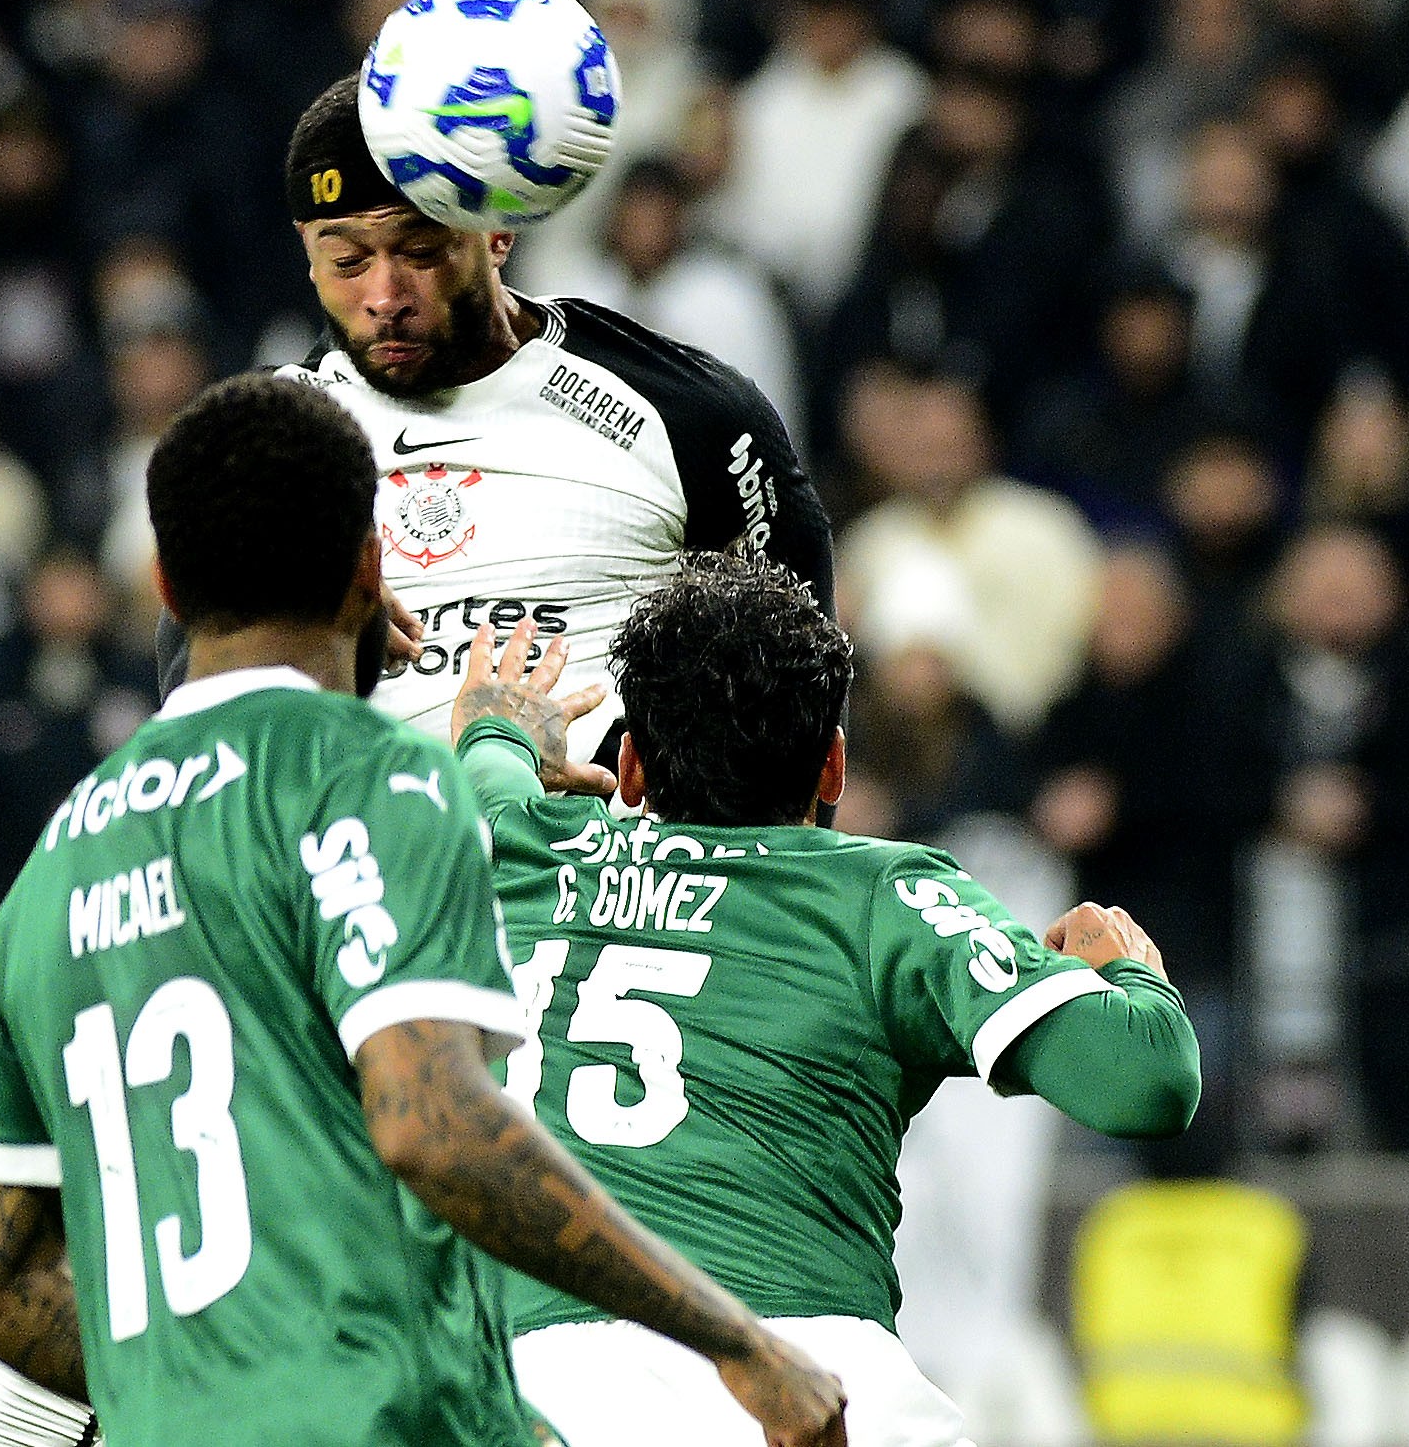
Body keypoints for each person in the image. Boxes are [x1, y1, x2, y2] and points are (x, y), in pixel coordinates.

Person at [0, 374, 846, 1447]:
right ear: (372, 569)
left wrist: (215, 1381)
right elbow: (434, 1126)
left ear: (164, 588)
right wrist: (734, 1339)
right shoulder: (373, 776)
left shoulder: (54, 867)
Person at [450, 555, 1202, 1446]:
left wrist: (497, 728)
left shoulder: (528, 850)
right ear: (835, 767)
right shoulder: (882, 895)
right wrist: (1131, 974)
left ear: (633, 769)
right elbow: (1144, 1082)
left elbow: (489, 773)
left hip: (542, 1389)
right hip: (808, 1375)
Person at [155, 72, 832, 765]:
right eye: (347, 260)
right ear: (307, 248)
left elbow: (799, 686)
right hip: (359, 828)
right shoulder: (266, 450)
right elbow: (196, 732)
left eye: (420, 251)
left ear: (498, 230)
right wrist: (305, 632)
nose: (385, 296)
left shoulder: (686, 412)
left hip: (610, 827)